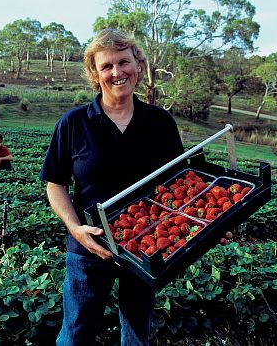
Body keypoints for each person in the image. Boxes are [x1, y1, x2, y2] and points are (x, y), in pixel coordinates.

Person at [40, 28, 184, 346]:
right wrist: (75, 228)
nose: (117, 72)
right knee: (75, 335)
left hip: (146, 245)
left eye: (124, 62)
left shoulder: (160, 122)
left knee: (136, 336)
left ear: (138, 67)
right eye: (106, 66)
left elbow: (180, 185)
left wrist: (210, 223)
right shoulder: (74, 123)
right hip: (90, 248)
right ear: (95, 74)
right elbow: (55, 184)